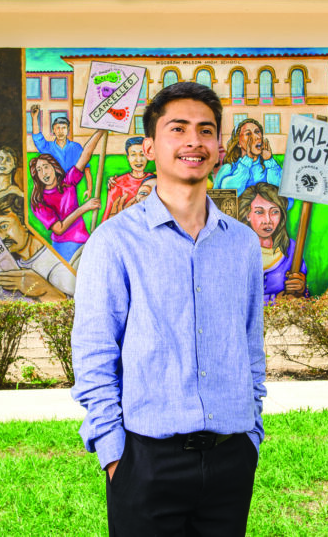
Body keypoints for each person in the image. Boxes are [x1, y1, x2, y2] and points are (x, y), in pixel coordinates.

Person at [71, 82, 266, 537]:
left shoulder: (242, 245)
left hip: (230, 459)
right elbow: (95, 353)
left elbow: (250, 343)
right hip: (145, 462)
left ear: (220, 147)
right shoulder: (115, 242)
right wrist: (115, 455)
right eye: (177, 129)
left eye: (206, 130)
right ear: (150, 146)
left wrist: (252, 434)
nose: (193, 141)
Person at [29, 130, 103, 262]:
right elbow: (59, 229)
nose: (43, 172)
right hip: (64, 247)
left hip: (84, 241)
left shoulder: (68, 183)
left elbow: (85, 155)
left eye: (46, 167)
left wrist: (100, 131)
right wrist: (84, 208)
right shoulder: (38, 201)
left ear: (54, 168)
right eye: (39, 170)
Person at [0, 192, 75, 300]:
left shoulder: (54, 261)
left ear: (24, 223)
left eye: (4, 226)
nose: (0, 237)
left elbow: (75, 307)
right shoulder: (13, 263)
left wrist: (44, 290)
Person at [239, 182, 308, 304]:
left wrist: (300, 290)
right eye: (259, 212)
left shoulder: (292, 250)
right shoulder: (234, 250)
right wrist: (273, 300)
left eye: (274, 212)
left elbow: (302, 301)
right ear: (247, 214)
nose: (268, 220)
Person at [30, 105, 93, 199]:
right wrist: (35, 118)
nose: (61, 131)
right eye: (58, 128)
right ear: (53, 130)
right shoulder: (48, 147)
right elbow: (37, 138)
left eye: (63, 128)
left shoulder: (76, 147)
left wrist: (90, 189)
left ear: (67, 130)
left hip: (70, 189)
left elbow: (86, 169)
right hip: (52, 188)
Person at [214, 117, 282, 195]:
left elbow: (285, 199)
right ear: (238, 143)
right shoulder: (228, 169)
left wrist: (269, 161)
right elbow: (227, 195)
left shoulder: (270, 167)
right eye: (248, 134)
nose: (257, 137)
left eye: (257, 132)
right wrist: (247, 160)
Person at [102, 136, 155, 221]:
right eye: (133, 154)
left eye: (142, 154)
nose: (138, 160)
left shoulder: (154, 181)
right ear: (128, 157)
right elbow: (107, 216)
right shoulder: (117, 184)